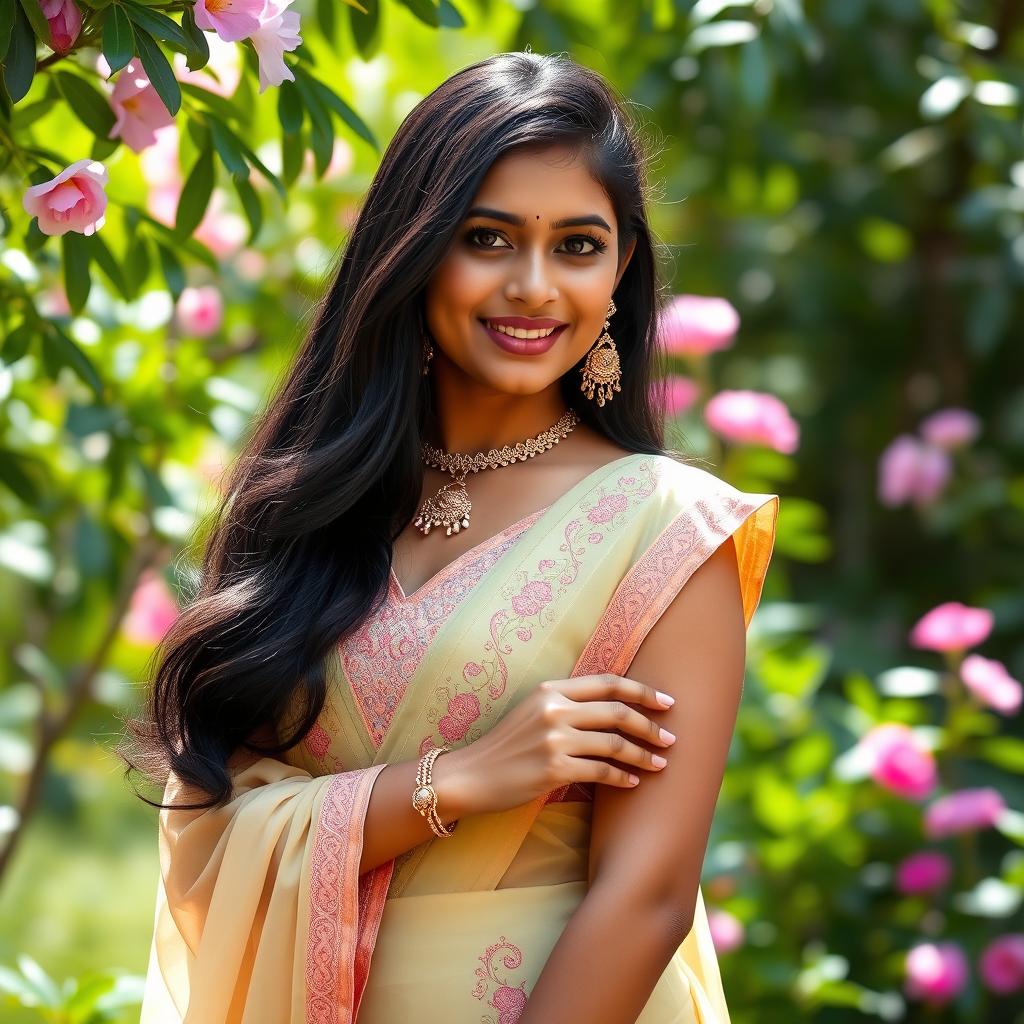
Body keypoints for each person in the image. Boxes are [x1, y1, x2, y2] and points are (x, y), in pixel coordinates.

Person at [128, 49, 779, 1024]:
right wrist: (458, 779)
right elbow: (212, 825)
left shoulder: (667, 527)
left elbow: (643, 900)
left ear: (620, 270)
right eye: (488, 238)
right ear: (415, 249)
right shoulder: (314, 507)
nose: (532, 285)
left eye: (576, 245)